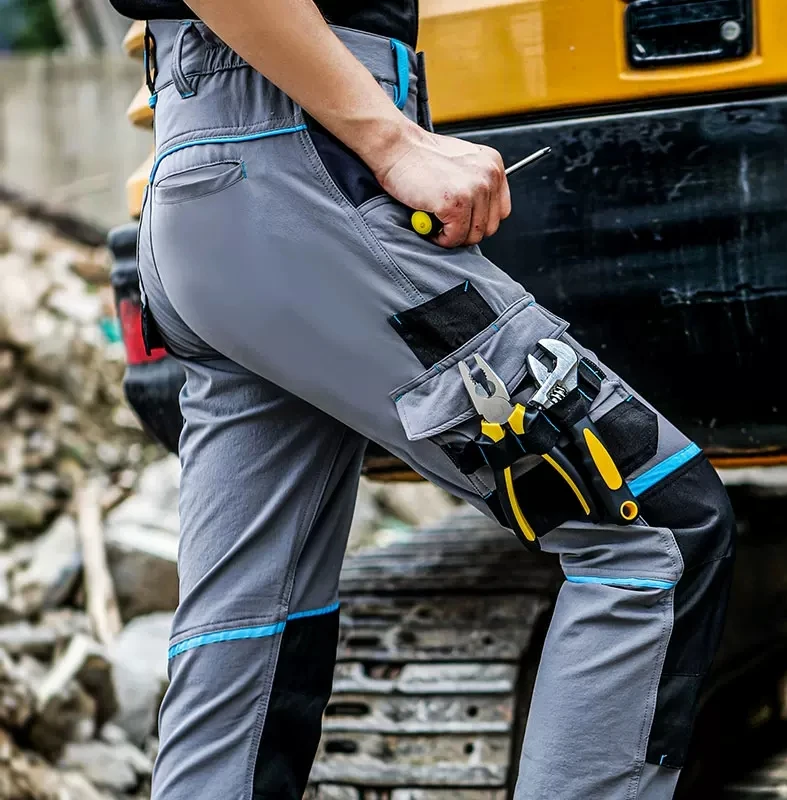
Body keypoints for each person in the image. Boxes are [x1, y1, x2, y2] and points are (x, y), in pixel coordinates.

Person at [109, 1, 736, 797]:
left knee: (248, 636)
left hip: (204, 172)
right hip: (303, 164)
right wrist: (390, 136)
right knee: (654, 531)